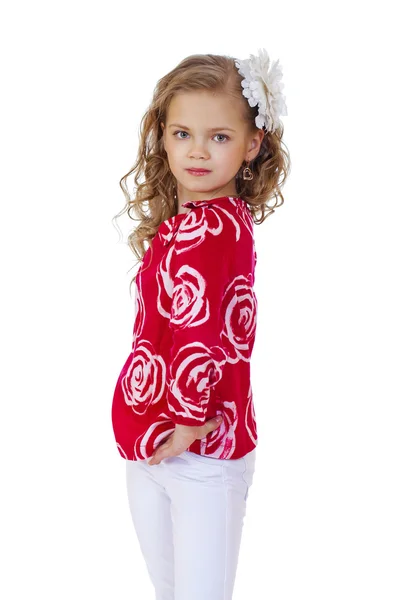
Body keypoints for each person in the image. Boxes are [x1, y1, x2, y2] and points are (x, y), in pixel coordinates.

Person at [111, 48, 290, 600]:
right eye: (183, 133)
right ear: (162, 136)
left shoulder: (217, 229)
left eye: (219, 137)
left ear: (252, 143)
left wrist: (188, 422)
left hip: (201, 448)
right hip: (155, 442)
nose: (197, 151)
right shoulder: (190, 223)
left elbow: (203, 331)